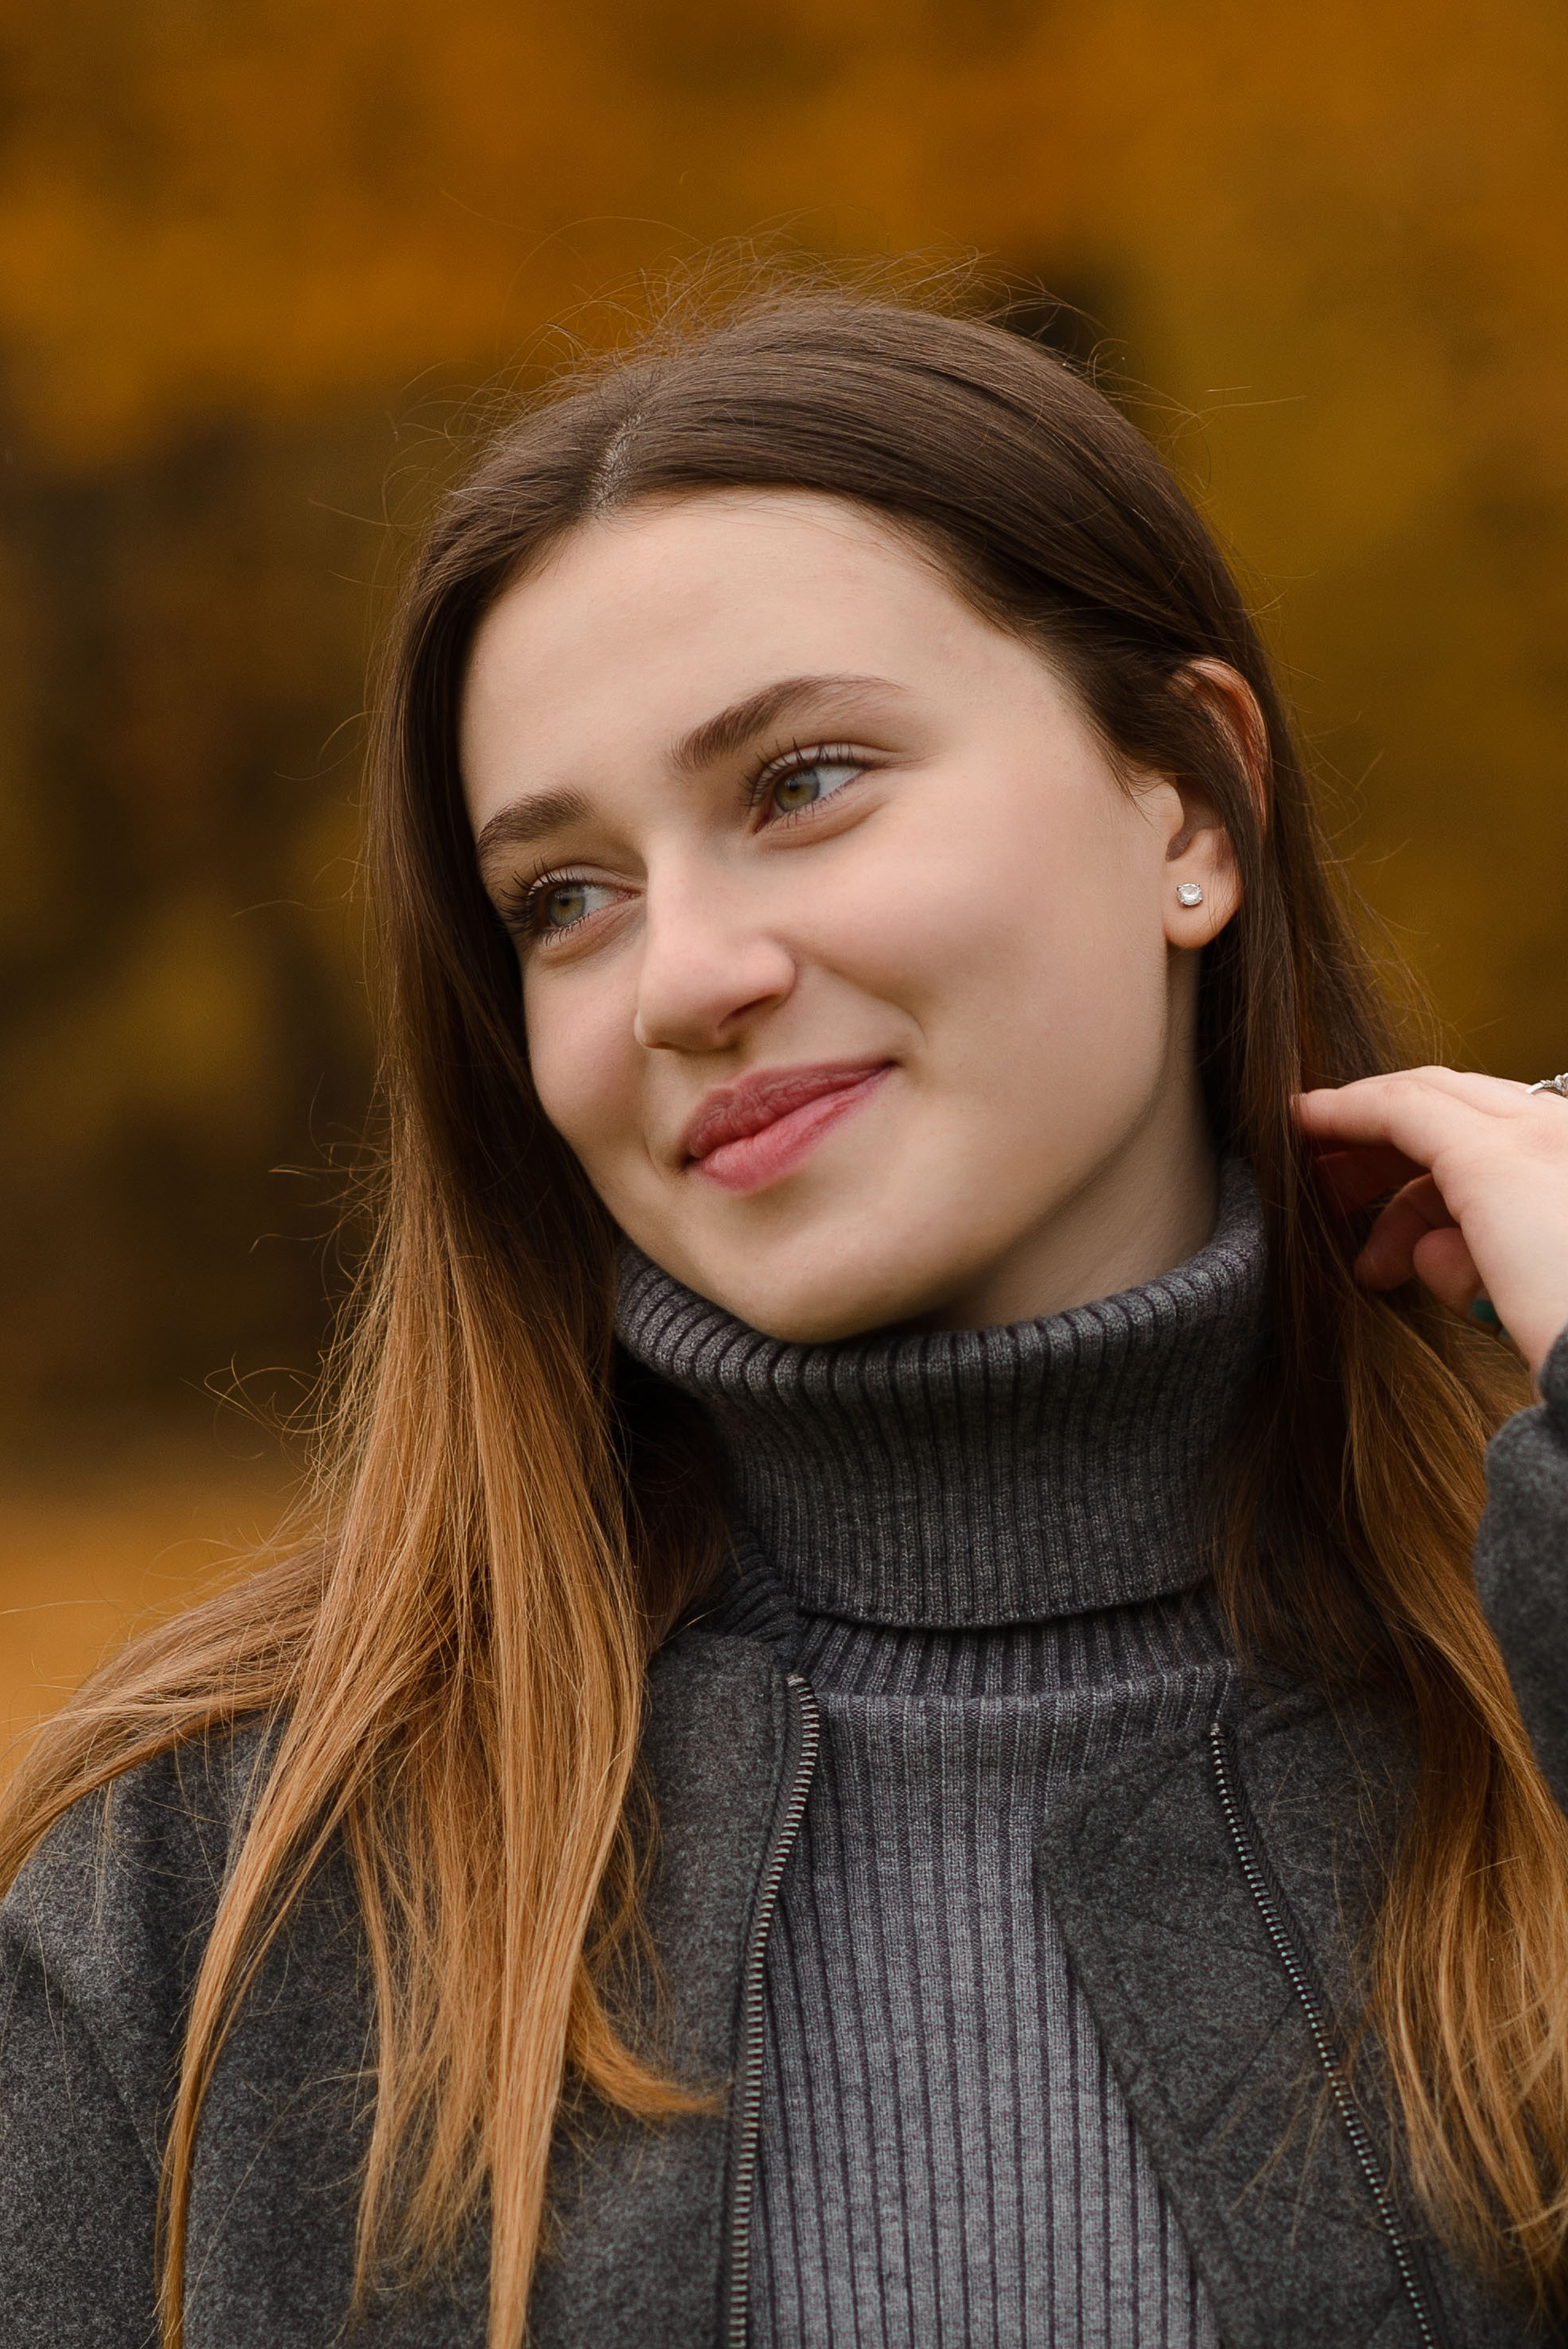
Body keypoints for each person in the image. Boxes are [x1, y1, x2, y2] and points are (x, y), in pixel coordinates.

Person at [3, 285, 1568, 2349]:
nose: (682, 976)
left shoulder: (1514, 1721)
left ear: (1187, 805)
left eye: (804, 779)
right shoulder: (200, 1900)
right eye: (564, 896)